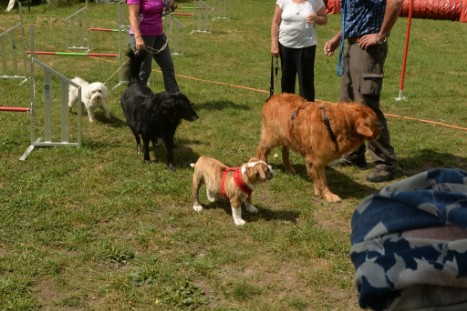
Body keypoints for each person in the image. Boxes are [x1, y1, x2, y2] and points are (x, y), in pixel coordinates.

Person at [324, 0, 402, 182]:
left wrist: (381, 35)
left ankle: (385, 163)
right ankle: (354, 154)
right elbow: (355, 17)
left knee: (367, 108)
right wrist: (338, 38)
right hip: (353, 46)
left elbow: (396, 3)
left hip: (368, 49)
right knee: (347, 104)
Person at [271, 0, 328, 102]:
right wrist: (274, 44)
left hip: (306, 47)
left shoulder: (315, 1)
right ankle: (287, 111)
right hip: (285, 46)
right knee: (286, 82)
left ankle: (308, 114)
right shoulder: (283, 1)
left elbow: (324, 19)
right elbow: (275, 22)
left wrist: (316, 18)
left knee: (306, 83)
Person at [127, 0, 179, 92]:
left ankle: (174, 98)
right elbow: (132, 16)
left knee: (168, 66)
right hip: (143, 35)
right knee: (144, 71)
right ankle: (137, 98)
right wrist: (138, 38)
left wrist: (168, 6)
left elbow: (157, 9)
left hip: (158, 34)